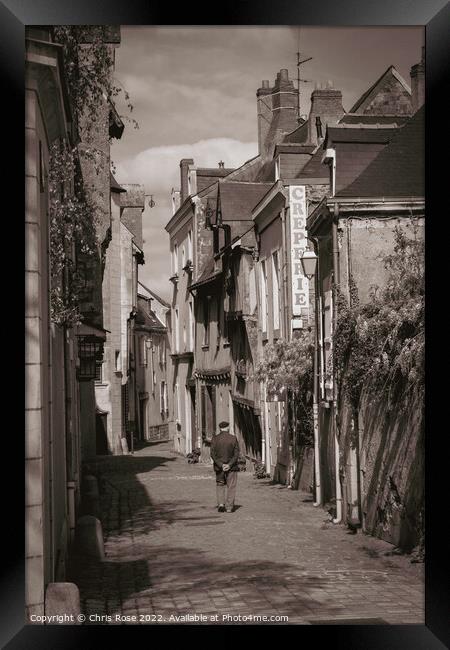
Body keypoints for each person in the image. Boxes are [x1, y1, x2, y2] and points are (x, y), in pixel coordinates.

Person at [210, 421, 240, 513]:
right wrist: (229, 464)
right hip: (232, 467)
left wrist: (221, 464)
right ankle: (229, 507)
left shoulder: (215, 439)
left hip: (219, 468)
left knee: (220, 485)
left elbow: (212, 454)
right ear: (227, 428)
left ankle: (221, 504)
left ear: (220, 428)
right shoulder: (233, 438)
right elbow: (236, 454)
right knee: (231, 486)